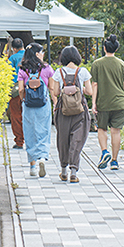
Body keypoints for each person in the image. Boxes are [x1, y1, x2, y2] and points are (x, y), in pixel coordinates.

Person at [49, 46, 93, 183]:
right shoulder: (83, 71)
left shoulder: (58, 72)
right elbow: (90, 92)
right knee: (77, 140)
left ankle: (63, 171)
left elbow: (55, 92)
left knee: (63, 140)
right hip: (80, 111)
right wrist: (79, 89)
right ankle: (73, 172)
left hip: (63, 111)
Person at [90, 35, 124, 171]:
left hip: (103, 102)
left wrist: (93, 103)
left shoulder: (97, 63)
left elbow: (95, 85)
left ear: (104, 48)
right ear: (116, 48)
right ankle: (114, 161)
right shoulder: (121, 64)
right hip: (119, 102)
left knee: (102, 129)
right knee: (116, 132)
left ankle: (104, 152)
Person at [18, 43, 54, 177]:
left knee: (30, 132)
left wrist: (23, 100)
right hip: (43, 105)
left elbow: (21, 89)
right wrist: (54, 102)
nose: (43, 54)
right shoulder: (47, 68)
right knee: (44, 131)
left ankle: (32, 166)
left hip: (28, 105)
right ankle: (43, 158)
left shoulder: (23, 69)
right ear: (37, 54)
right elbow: (52, 88)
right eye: (42, 52)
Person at [7, 38, 25, 150]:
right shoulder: (29, 56)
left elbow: (9, 75)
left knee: (16, 116)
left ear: (14, 48)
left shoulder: (12, 58)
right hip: (29, 90)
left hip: (15, 91)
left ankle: (19, 141)